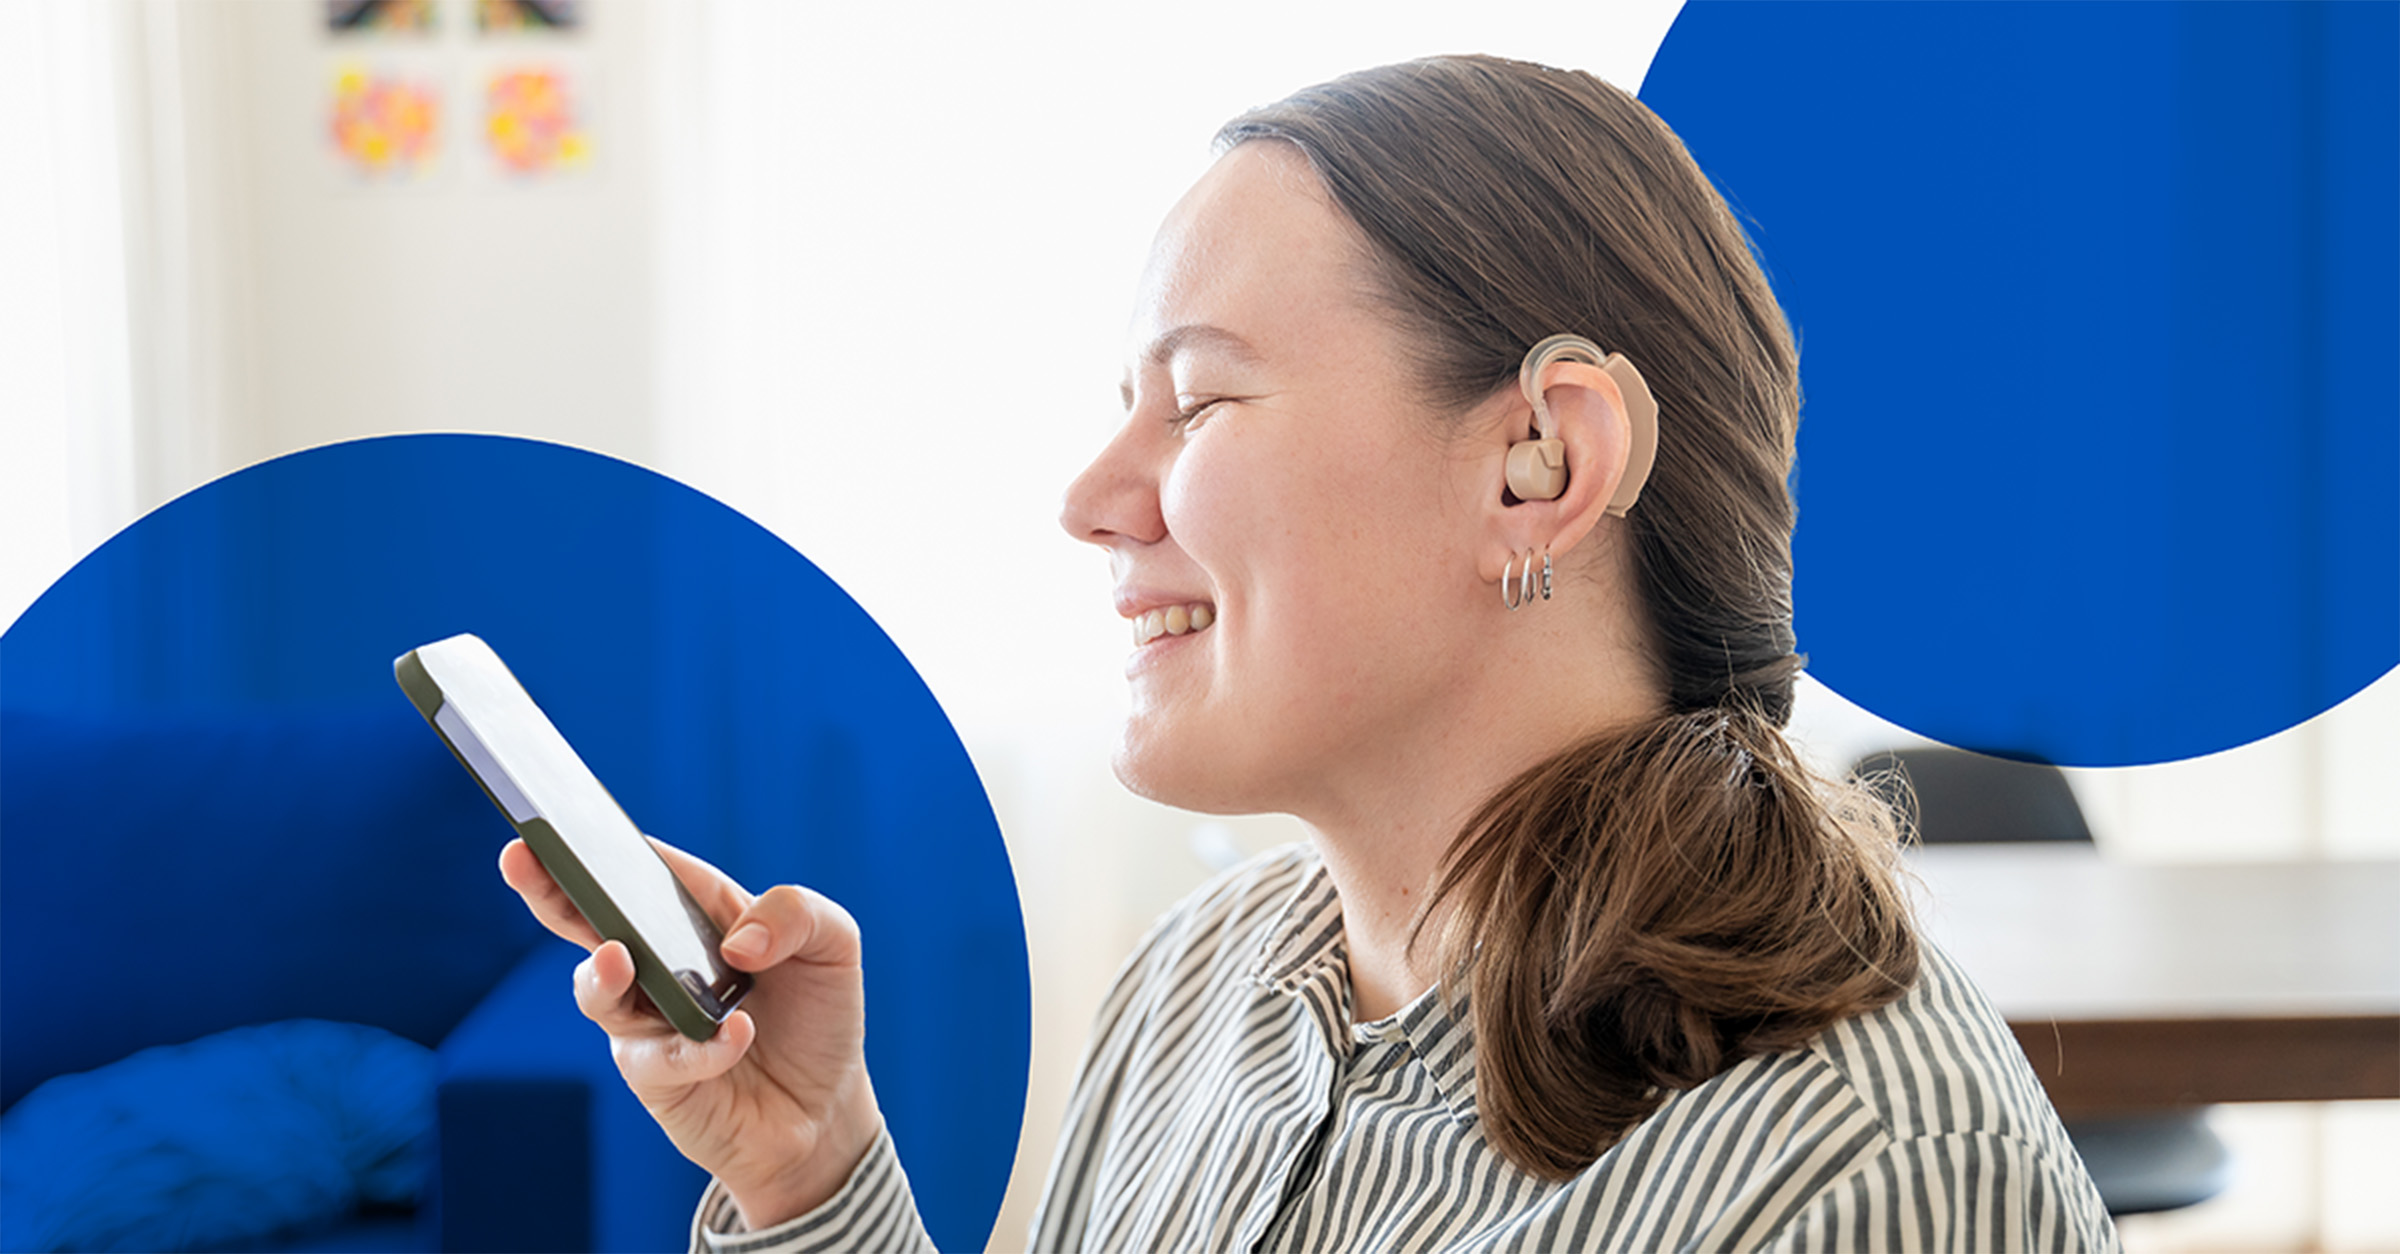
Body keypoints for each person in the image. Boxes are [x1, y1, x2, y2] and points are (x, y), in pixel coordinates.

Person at [502, 54, 2120, 1253]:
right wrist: (810, 1174)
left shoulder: (1865, 1176)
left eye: (1198, 397)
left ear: (1539, 462)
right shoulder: (1203, 980)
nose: (1089, 499)